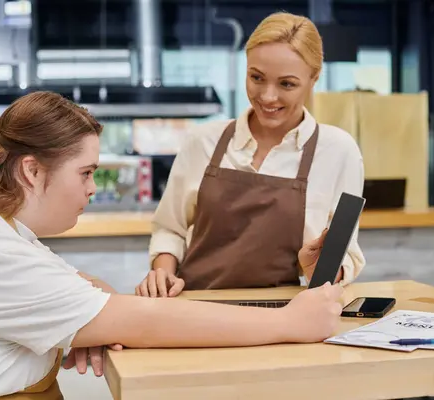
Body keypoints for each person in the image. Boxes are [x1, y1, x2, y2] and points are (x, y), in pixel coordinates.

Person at [0, 91, 344, 400]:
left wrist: (85, 315)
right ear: (32, 170)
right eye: (86, 173)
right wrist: (288, 322)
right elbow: (142, 319)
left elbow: (58, 283)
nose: (93, 188)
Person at [136, 11, 366, 298]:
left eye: (287, 84)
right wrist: (163, 274)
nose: (268, 97)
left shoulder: (338, 151)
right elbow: (170, 230)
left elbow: (346, 253)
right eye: (256, 77)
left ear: (314, 78)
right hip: (194, 308)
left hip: (285, 316)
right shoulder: (203, 141)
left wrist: (320, 268)